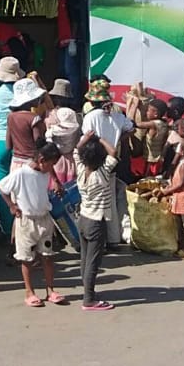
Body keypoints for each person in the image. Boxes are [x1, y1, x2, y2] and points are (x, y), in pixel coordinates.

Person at [0, 142, 67, 307]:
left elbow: (49, 172)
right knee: (26, 259)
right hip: (26, 221)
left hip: (44, 219)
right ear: (42, 160)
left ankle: (51, 290)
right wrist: (12, 206)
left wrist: (56, 181)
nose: (52, 168)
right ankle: (29, 292)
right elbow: (2, 187)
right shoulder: (21, 173)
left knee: (48, 256)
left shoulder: (45, 171)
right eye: (51, 164)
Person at [83, 79, 136, 244]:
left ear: (92, 101)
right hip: (112, 161)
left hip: (94, 161)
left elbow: (88, 138)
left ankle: (102, 240)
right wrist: (118, 138)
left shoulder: (90, 116)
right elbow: (131, 128)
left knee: (94, 201)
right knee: (110, 200)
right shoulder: (117, 116)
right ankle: (113, 238)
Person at [75, 133, 118, 311]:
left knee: (85, 258)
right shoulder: (102, 173)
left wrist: (87, 138)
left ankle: (87, 291)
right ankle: (89, 299)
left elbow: (77, 150)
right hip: (96, 221)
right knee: (93, 261)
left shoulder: (80, 169)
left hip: (83, 218)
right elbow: (113, 151)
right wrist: (100, 139)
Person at [0, 56, 24, 238]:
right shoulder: (22, 93)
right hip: (20, 142)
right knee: (21, 186)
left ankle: (8, 230)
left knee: (2, 186)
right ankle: (23, 228)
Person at [6, 78, 48, 172]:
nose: (38, 99)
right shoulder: (34, 118)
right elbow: (39, 143)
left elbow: (8, 146)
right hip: (31, 163)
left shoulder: (10, 117)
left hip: (15, 163)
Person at [136, 99, 169, 177]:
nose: (146, 112)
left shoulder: (153, 124)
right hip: (157, 158)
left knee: (149, 180)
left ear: (155, 114)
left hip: (152, 160)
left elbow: (138, 125)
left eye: (148, 110)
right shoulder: (163, 123)